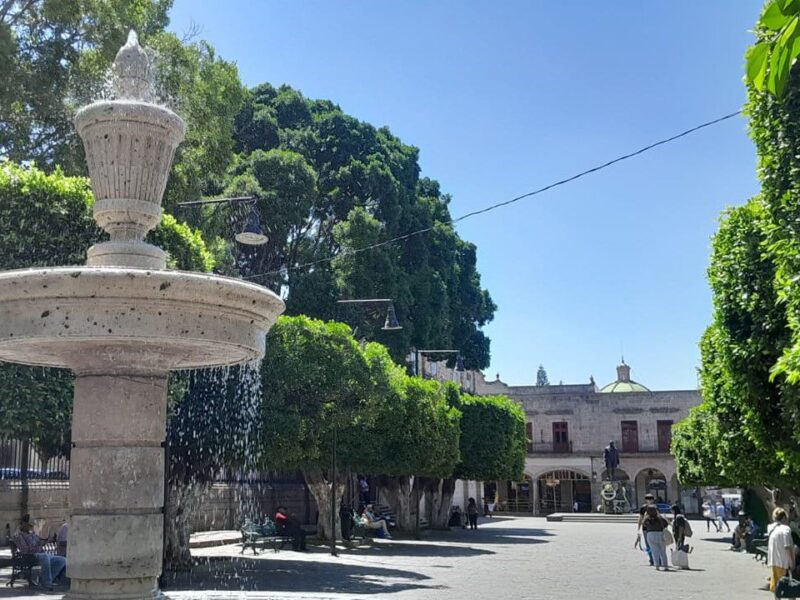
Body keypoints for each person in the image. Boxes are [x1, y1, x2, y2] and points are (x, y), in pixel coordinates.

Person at [13, 520, 66, 590]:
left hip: (40, 554)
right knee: (45, 557)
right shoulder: (19, 535)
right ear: (23, 524)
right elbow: (25, 549)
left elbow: (40, 541)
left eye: (31, 526)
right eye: (29, 525)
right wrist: (36, 546)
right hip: (29, 555)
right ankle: (47, 583)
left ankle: (44, 579)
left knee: (62, 560)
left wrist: (50, 539)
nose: (30, 527)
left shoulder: (32, 534)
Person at [768, 507, 795, 593]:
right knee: (790, 589)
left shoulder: (772, 529)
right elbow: (787, 546)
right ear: (783, 518)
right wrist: (792, 563)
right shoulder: (786, 529)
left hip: (774, 562)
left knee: (777, 588)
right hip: (784, 564)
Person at [643, 505, 670, 571]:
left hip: (650, 534)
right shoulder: (660, 518)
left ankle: (657, 566)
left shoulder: (647, 519)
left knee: (654, 551)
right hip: (660, 534)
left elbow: (644, 527)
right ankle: (665, 566)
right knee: (663, 551)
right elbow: (666, 524)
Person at [636, 493, 657, 566]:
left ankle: (654, 559)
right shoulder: (647, 508)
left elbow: (641, 518)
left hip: (650, 527)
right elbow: (640, 518)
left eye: (650, 499)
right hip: (650, 528)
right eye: (648, 499)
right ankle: (653, 559)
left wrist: (639, 527)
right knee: (651, 544)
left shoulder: (653, 507)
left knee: (651, 544)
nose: (649, 500)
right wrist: (638, 528)